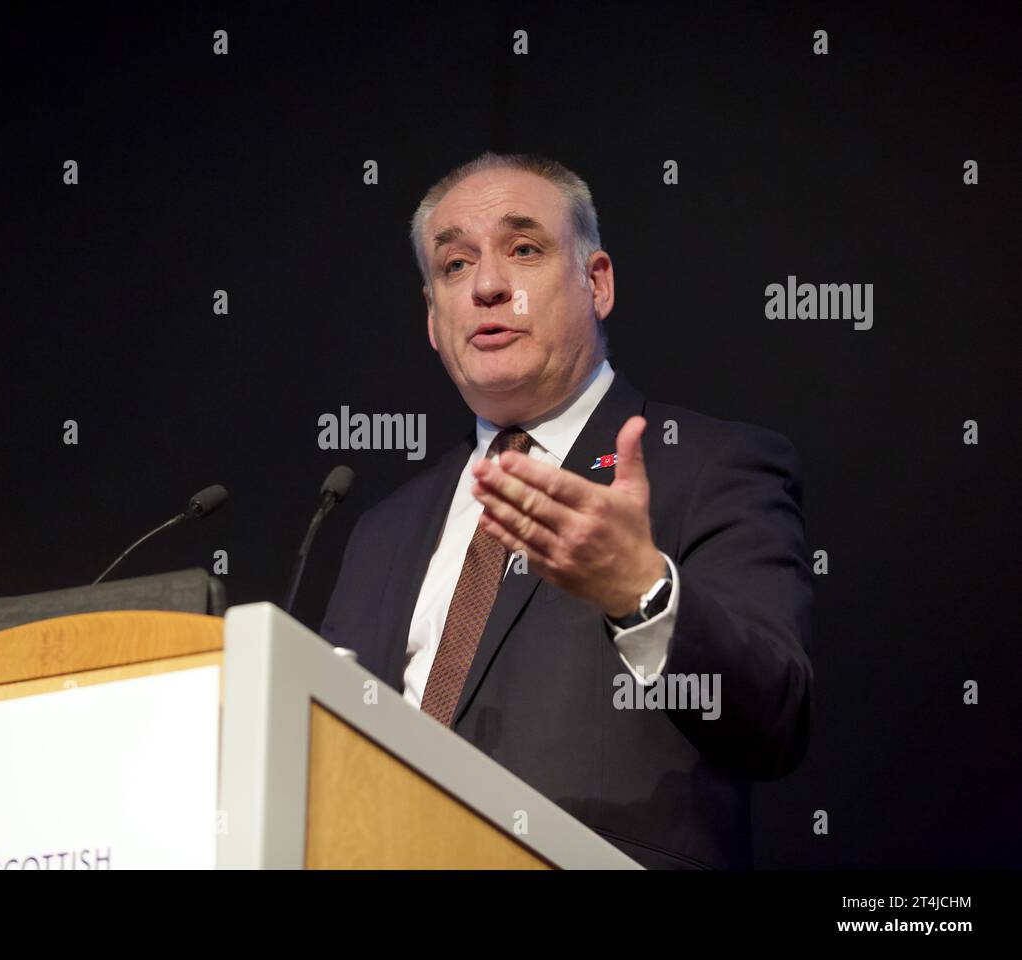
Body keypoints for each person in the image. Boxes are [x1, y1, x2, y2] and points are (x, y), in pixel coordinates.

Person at [320, 152, 813, 869]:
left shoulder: (713, 465)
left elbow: (777, 719)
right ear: (433, 317)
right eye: (454, 267)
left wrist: (641, 594)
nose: (488, 286)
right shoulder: (380, 531)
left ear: (597, 281)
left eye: (524, 250)